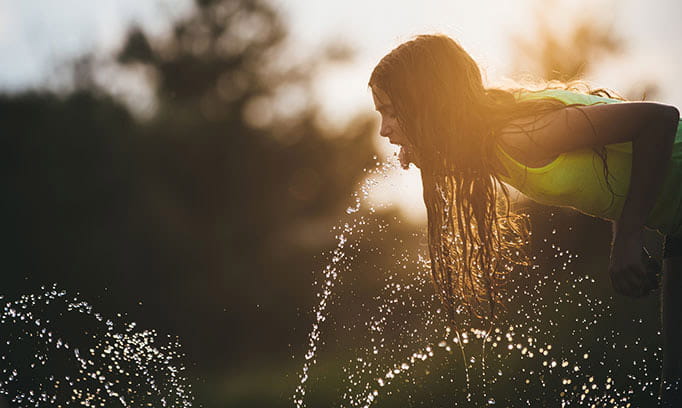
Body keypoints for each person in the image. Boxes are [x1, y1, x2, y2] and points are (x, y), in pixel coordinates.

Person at [368, 34, 681, 406]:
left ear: (425, 105)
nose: (384, 129)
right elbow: (616, 164)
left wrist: (628, 236)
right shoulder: (492, 140)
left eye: (390, 111)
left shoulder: (516, 136)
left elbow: (658, 120)